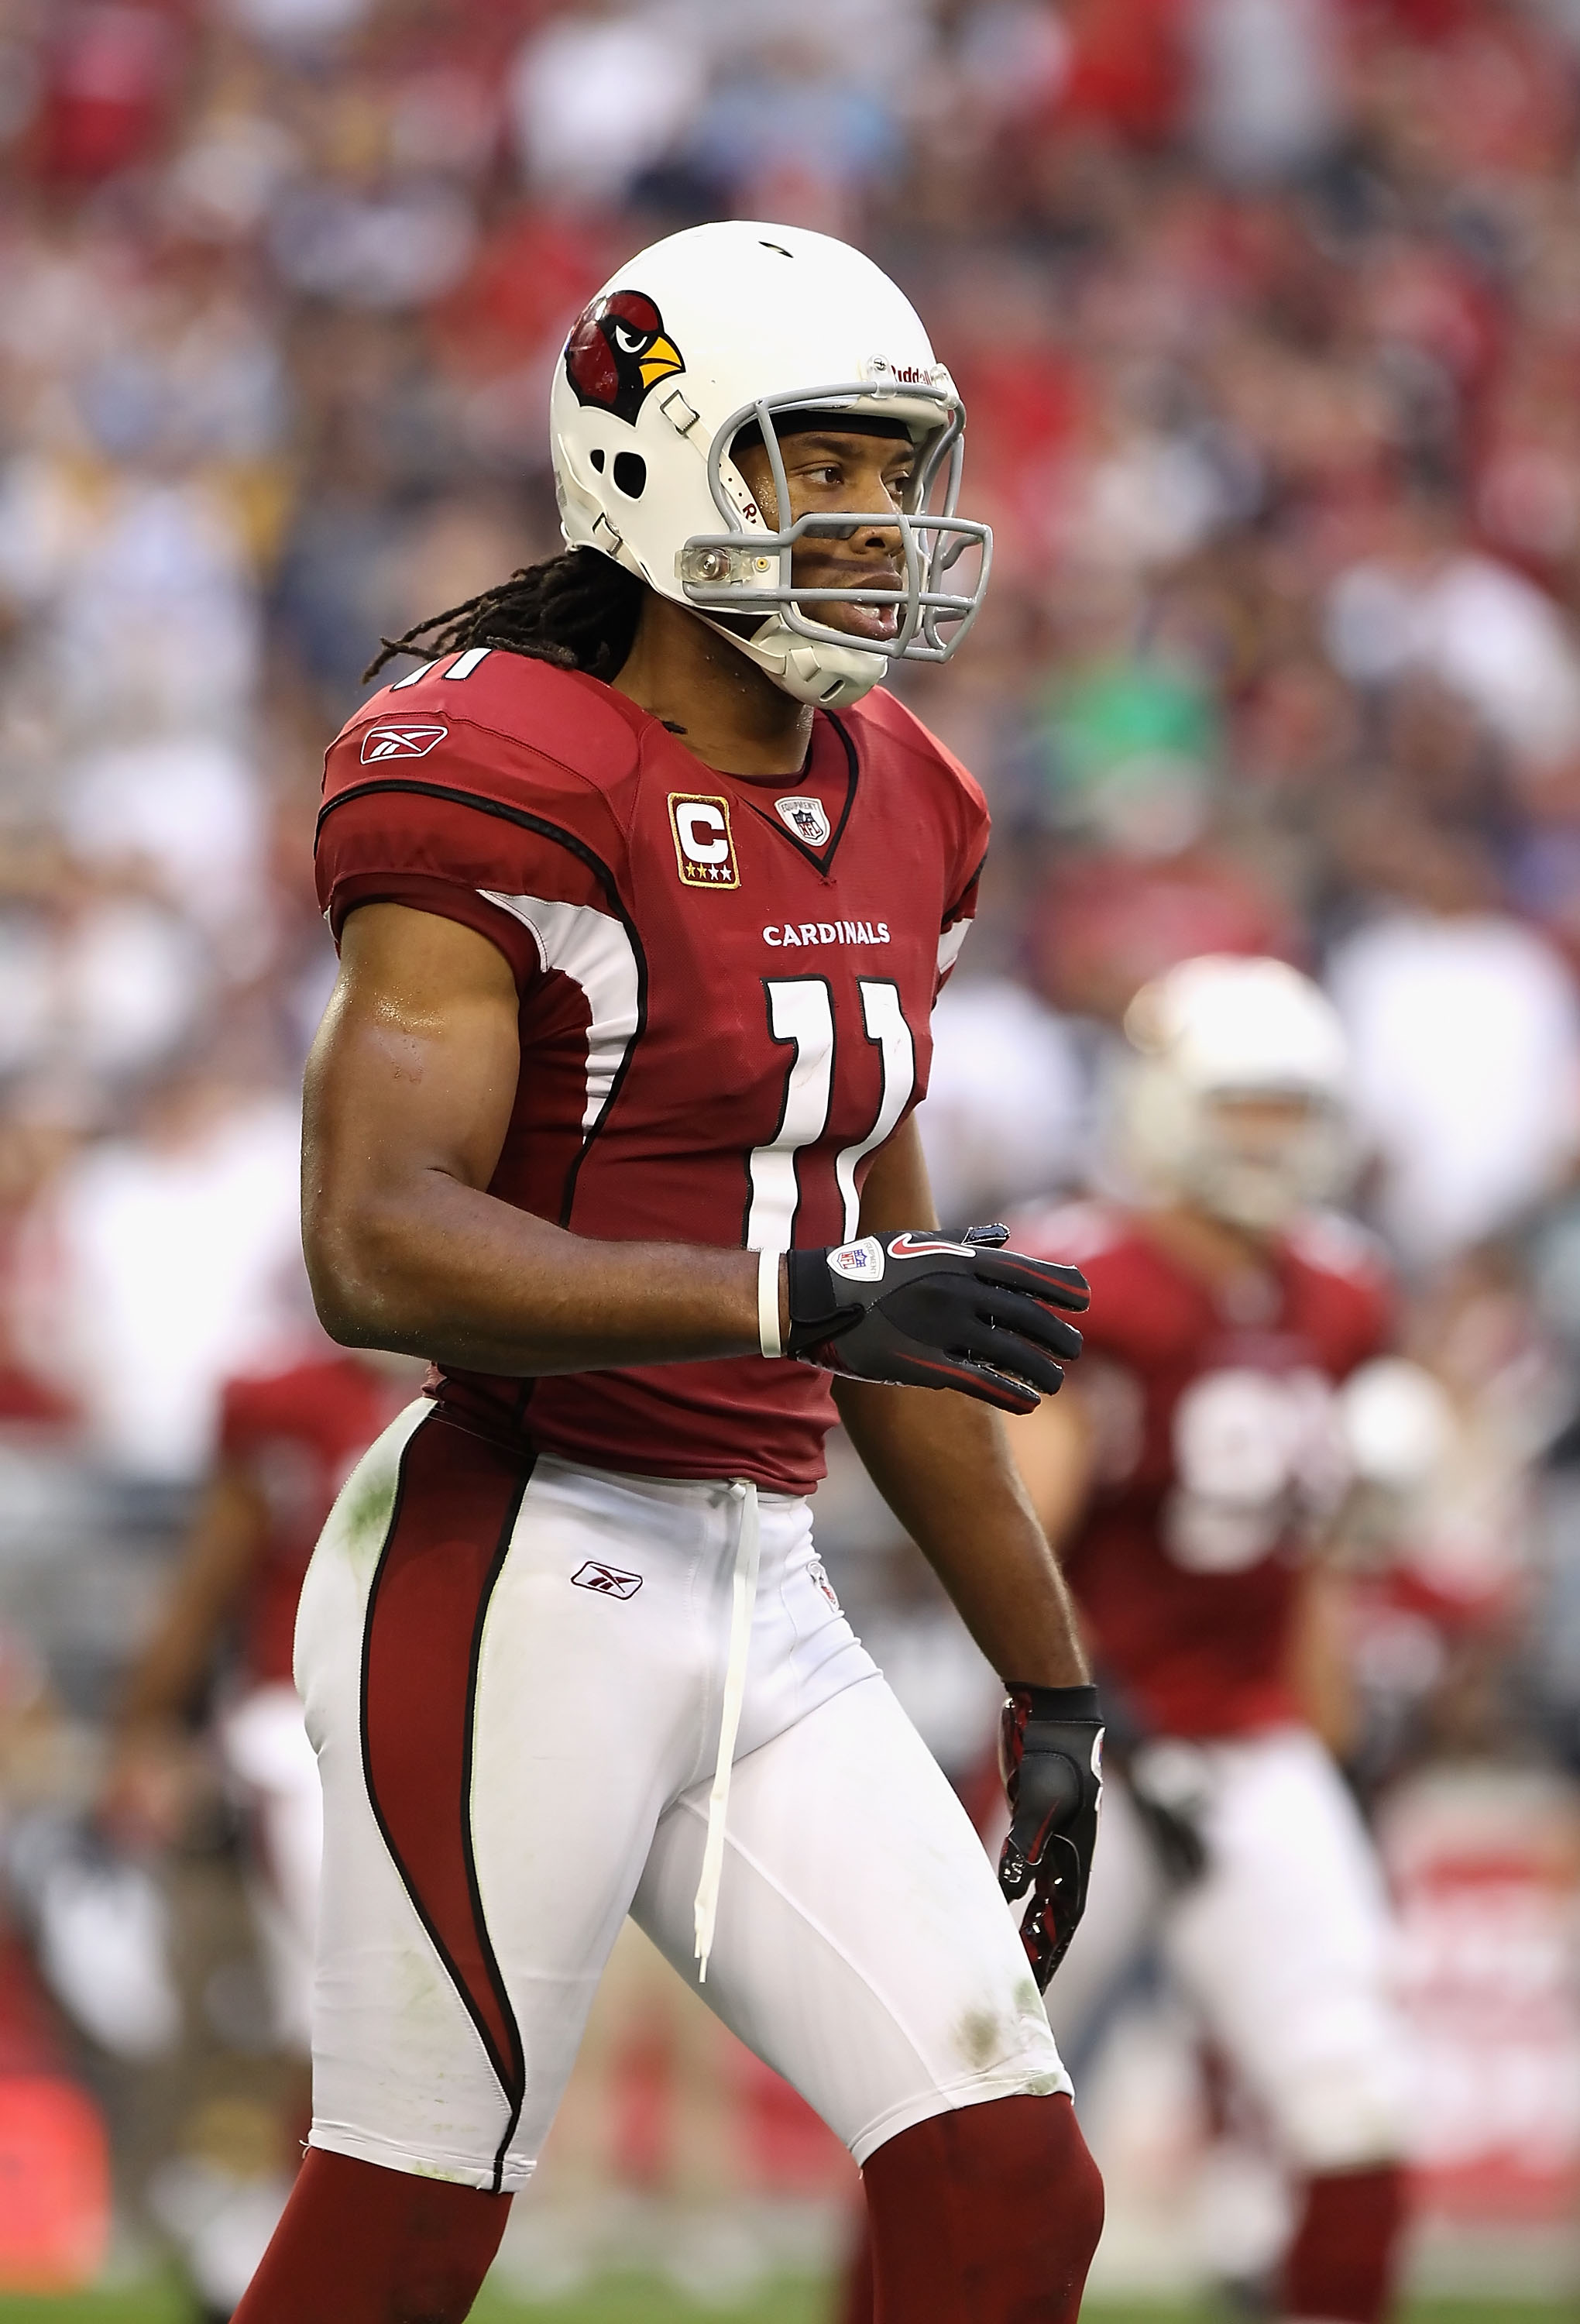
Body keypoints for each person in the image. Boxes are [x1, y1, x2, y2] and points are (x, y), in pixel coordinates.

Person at [234, 221, 1108, 2324]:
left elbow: (894, 1294)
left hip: (763, 1575)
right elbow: (376, 1246)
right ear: (662, 462)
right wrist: (790, 1304)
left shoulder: (914, 792)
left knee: (1012, 2191)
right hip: (519, 1560)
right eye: (827, 462)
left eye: (903, 471)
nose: (883, 520)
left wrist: (1052, 1682)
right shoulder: (503, 762)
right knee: (411, 2224)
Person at [1009, 956, 1413, 2324]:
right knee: (964, 2096)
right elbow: (1009, 1542)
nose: (1270, 1143)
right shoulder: (1089, 1275)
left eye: (1291, 1112)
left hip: (1251, 1748)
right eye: (1243, 1108)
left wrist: (1331, 1740)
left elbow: (1308, 1567)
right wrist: (1102, 1720)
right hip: (1084, 1748)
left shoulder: (1343, 1292)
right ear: (1172, 1108)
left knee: (1353, 2098)